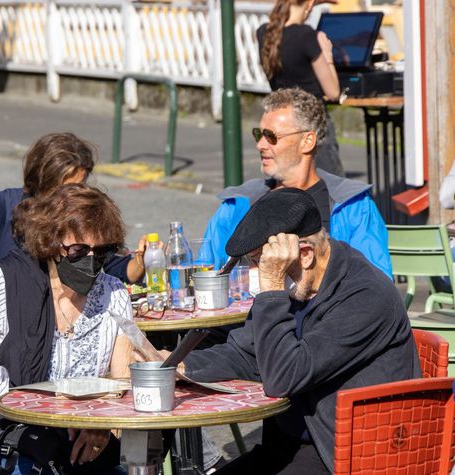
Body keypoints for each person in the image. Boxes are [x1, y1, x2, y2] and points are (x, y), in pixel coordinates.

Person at [179, 187, 420, 474]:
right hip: (290, 445)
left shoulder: (365, 295)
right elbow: (245, 353)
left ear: (304, 255)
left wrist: (271, 287)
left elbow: (284, 378)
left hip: (349, 455)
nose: (258, 273)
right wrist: (179, 364)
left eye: (262, 262)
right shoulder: (296, 286)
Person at [0, 183, 134, 474]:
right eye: (78, 250)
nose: (91, 261)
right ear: (51, 243)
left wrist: (103, 425)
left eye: (102, 252)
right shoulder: (7, 284)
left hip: (71, 448)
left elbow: (121, 382)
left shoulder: (114, 294)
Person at [202, 87, 392, 278]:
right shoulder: (238, 203)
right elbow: (204, 272)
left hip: (329, 306)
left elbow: (377, 284)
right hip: (252, 306)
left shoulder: (352, 206)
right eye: (258, 135)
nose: (260, 145)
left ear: (307, 141)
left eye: (271, 136)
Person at [0, 132, 147, 298]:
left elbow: (119, 270)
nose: (75, 195)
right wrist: (13, 275)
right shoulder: (2, 205)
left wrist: (143, 259)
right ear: (43, 183)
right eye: (68, 188)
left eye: (81, 185)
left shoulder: (80, 212)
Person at [257, 0, 344, 176]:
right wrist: (327, 54)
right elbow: (333, 92)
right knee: (331, 188)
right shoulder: (305, 36)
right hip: (312, 124)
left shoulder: (263, 33)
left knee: (291, 184)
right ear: (310, 5)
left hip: (282, 126)